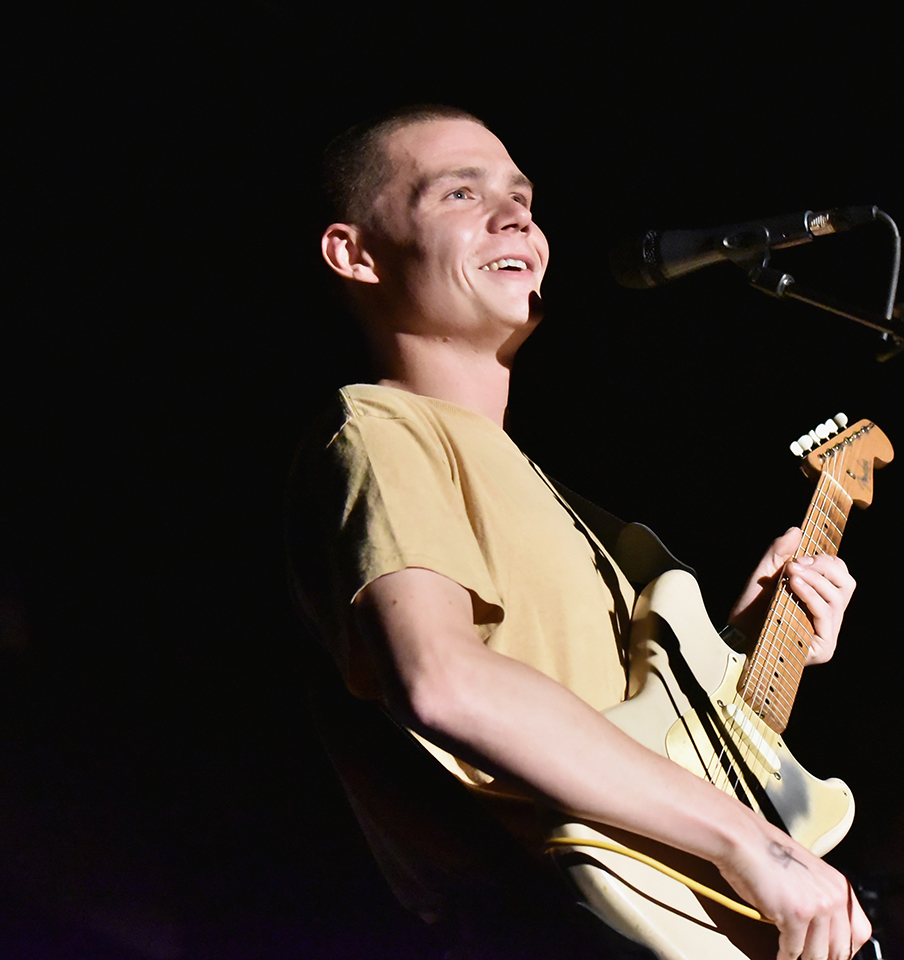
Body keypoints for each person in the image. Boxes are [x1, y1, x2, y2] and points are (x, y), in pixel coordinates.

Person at [287, 104, 872, 960]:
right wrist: (755, 844)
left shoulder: (565, 507)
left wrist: (752, 639)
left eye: (523, 197)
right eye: (460, 192)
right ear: (356, 253)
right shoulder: (380, 428)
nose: (515, 213)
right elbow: (443, 680)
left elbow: (636, 744)